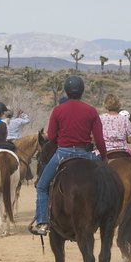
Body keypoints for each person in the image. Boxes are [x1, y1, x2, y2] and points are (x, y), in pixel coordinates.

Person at [31, 75, 107, 236]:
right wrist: (104, 157)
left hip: (62, 154)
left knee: (42, 186)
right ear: (82, 91)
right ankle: (108, 217)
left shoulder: (58, 110)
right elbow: (99, 139)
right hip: (86, 154)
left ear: (66, 90)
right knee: (108, 183)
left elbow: (51, 136)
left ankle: (42, 222)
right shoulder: (91, 110)